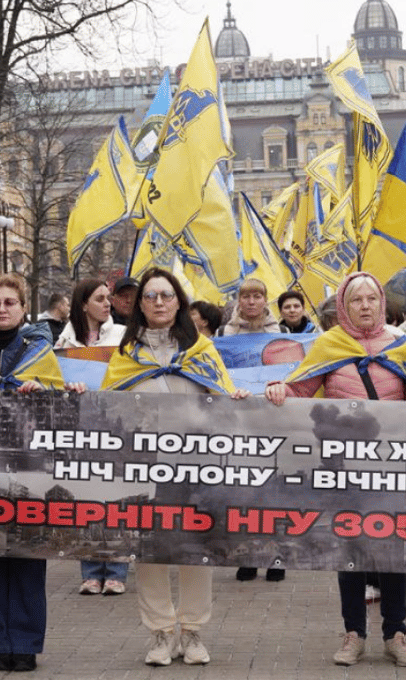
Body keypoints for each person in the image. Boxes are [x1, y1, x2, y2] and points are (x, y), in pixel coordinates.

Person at [264, 271, 406, 668]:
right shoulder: (329, 344)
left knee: (393, 549)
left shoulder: (401, 344)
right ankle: (353, 634)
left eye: (371, 299)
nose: (364, 306)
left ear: (382, 304)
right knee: (350, 547)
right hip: (343, 466)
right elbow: (302, 388)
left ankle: (396, 634)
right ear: (343, 305)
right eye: (355, 300)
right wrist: (280, 390)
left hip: (391, 465)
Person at [102, 268, 249, 666]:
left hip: (195, 470)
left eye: (166, 295)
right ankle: (161, 635)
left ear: (179, 301)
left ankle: (194, 631)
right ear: (141, 306)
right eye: (150, 297)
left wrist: (235, 399)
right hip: (145, 471)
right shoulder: (127, 356)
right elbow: (109, 408)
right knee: (150, 551)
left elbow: (220, 399)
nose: (159, 303)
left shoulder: (201, 350)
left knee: (194, 548)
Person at [0, 273, 67, 672]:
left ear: (24, 309)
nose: (2, 309)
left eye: (10, 302)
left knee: (26, 554)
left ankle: (24, 642)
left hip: (28, 467)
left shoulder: (39, 350)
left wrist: (41, 393)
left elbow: (61, 401)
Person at [55, 279, 129, 595]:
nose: (107, 303)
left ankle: (115, 570)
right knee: (85, 500)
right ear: (83, 303)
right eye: (99, 298)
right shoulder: (64, 340)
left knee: (117, 501)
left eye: (108, 298)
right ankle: (89, 571)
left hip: (116, 426)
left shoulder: (123, 336)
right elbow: (56, 380)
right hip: (81, 429)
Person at [219, 278, 285, 582]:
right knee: (242, 493)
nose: (250, 302)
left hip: (273, 419)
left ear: (265, 300)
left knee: (273, 493)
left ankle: (276, 556)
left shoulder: (281, 334)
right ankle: (246, 556)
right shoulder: (225, 333)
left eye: (257, 296)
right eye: (245, 296)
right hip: (238, 421)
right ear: (238, 301)